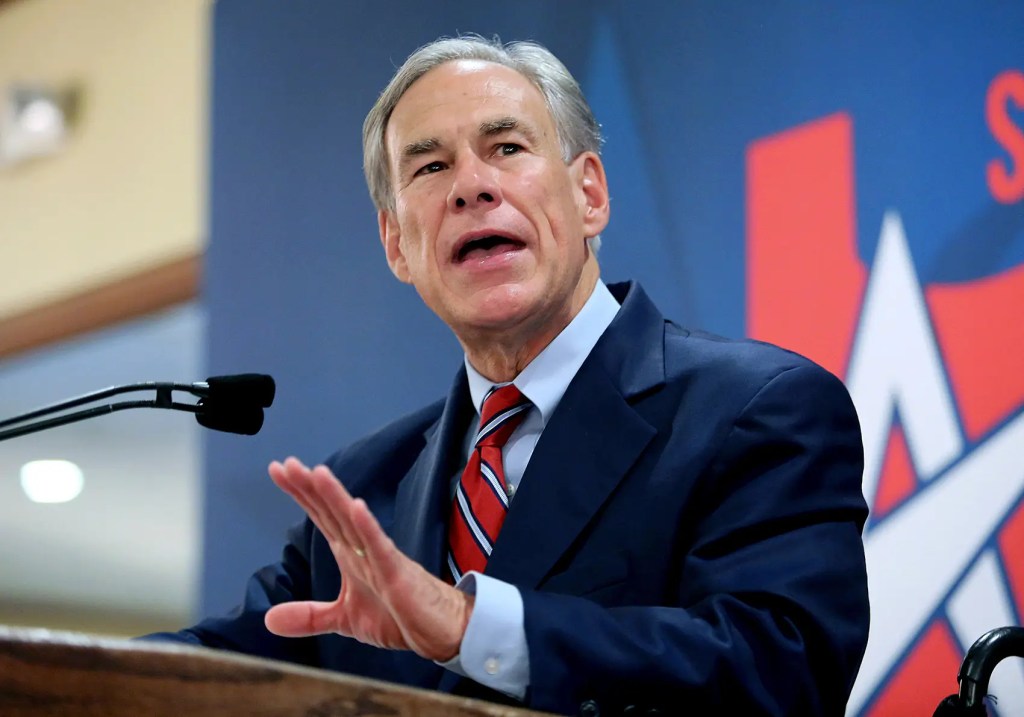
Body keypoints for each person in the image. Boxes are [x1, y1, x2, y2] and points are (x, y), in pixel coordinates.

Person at [149, 35, 870, 716]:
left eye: (507, 147)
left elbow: (783, 672)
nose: (470, 185)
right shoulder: (363, 486)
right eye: (430, 167)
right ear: (397, 243)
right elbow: (218, 670)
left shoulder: (757, 409)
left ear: (589, 194)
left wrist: (473, 626)